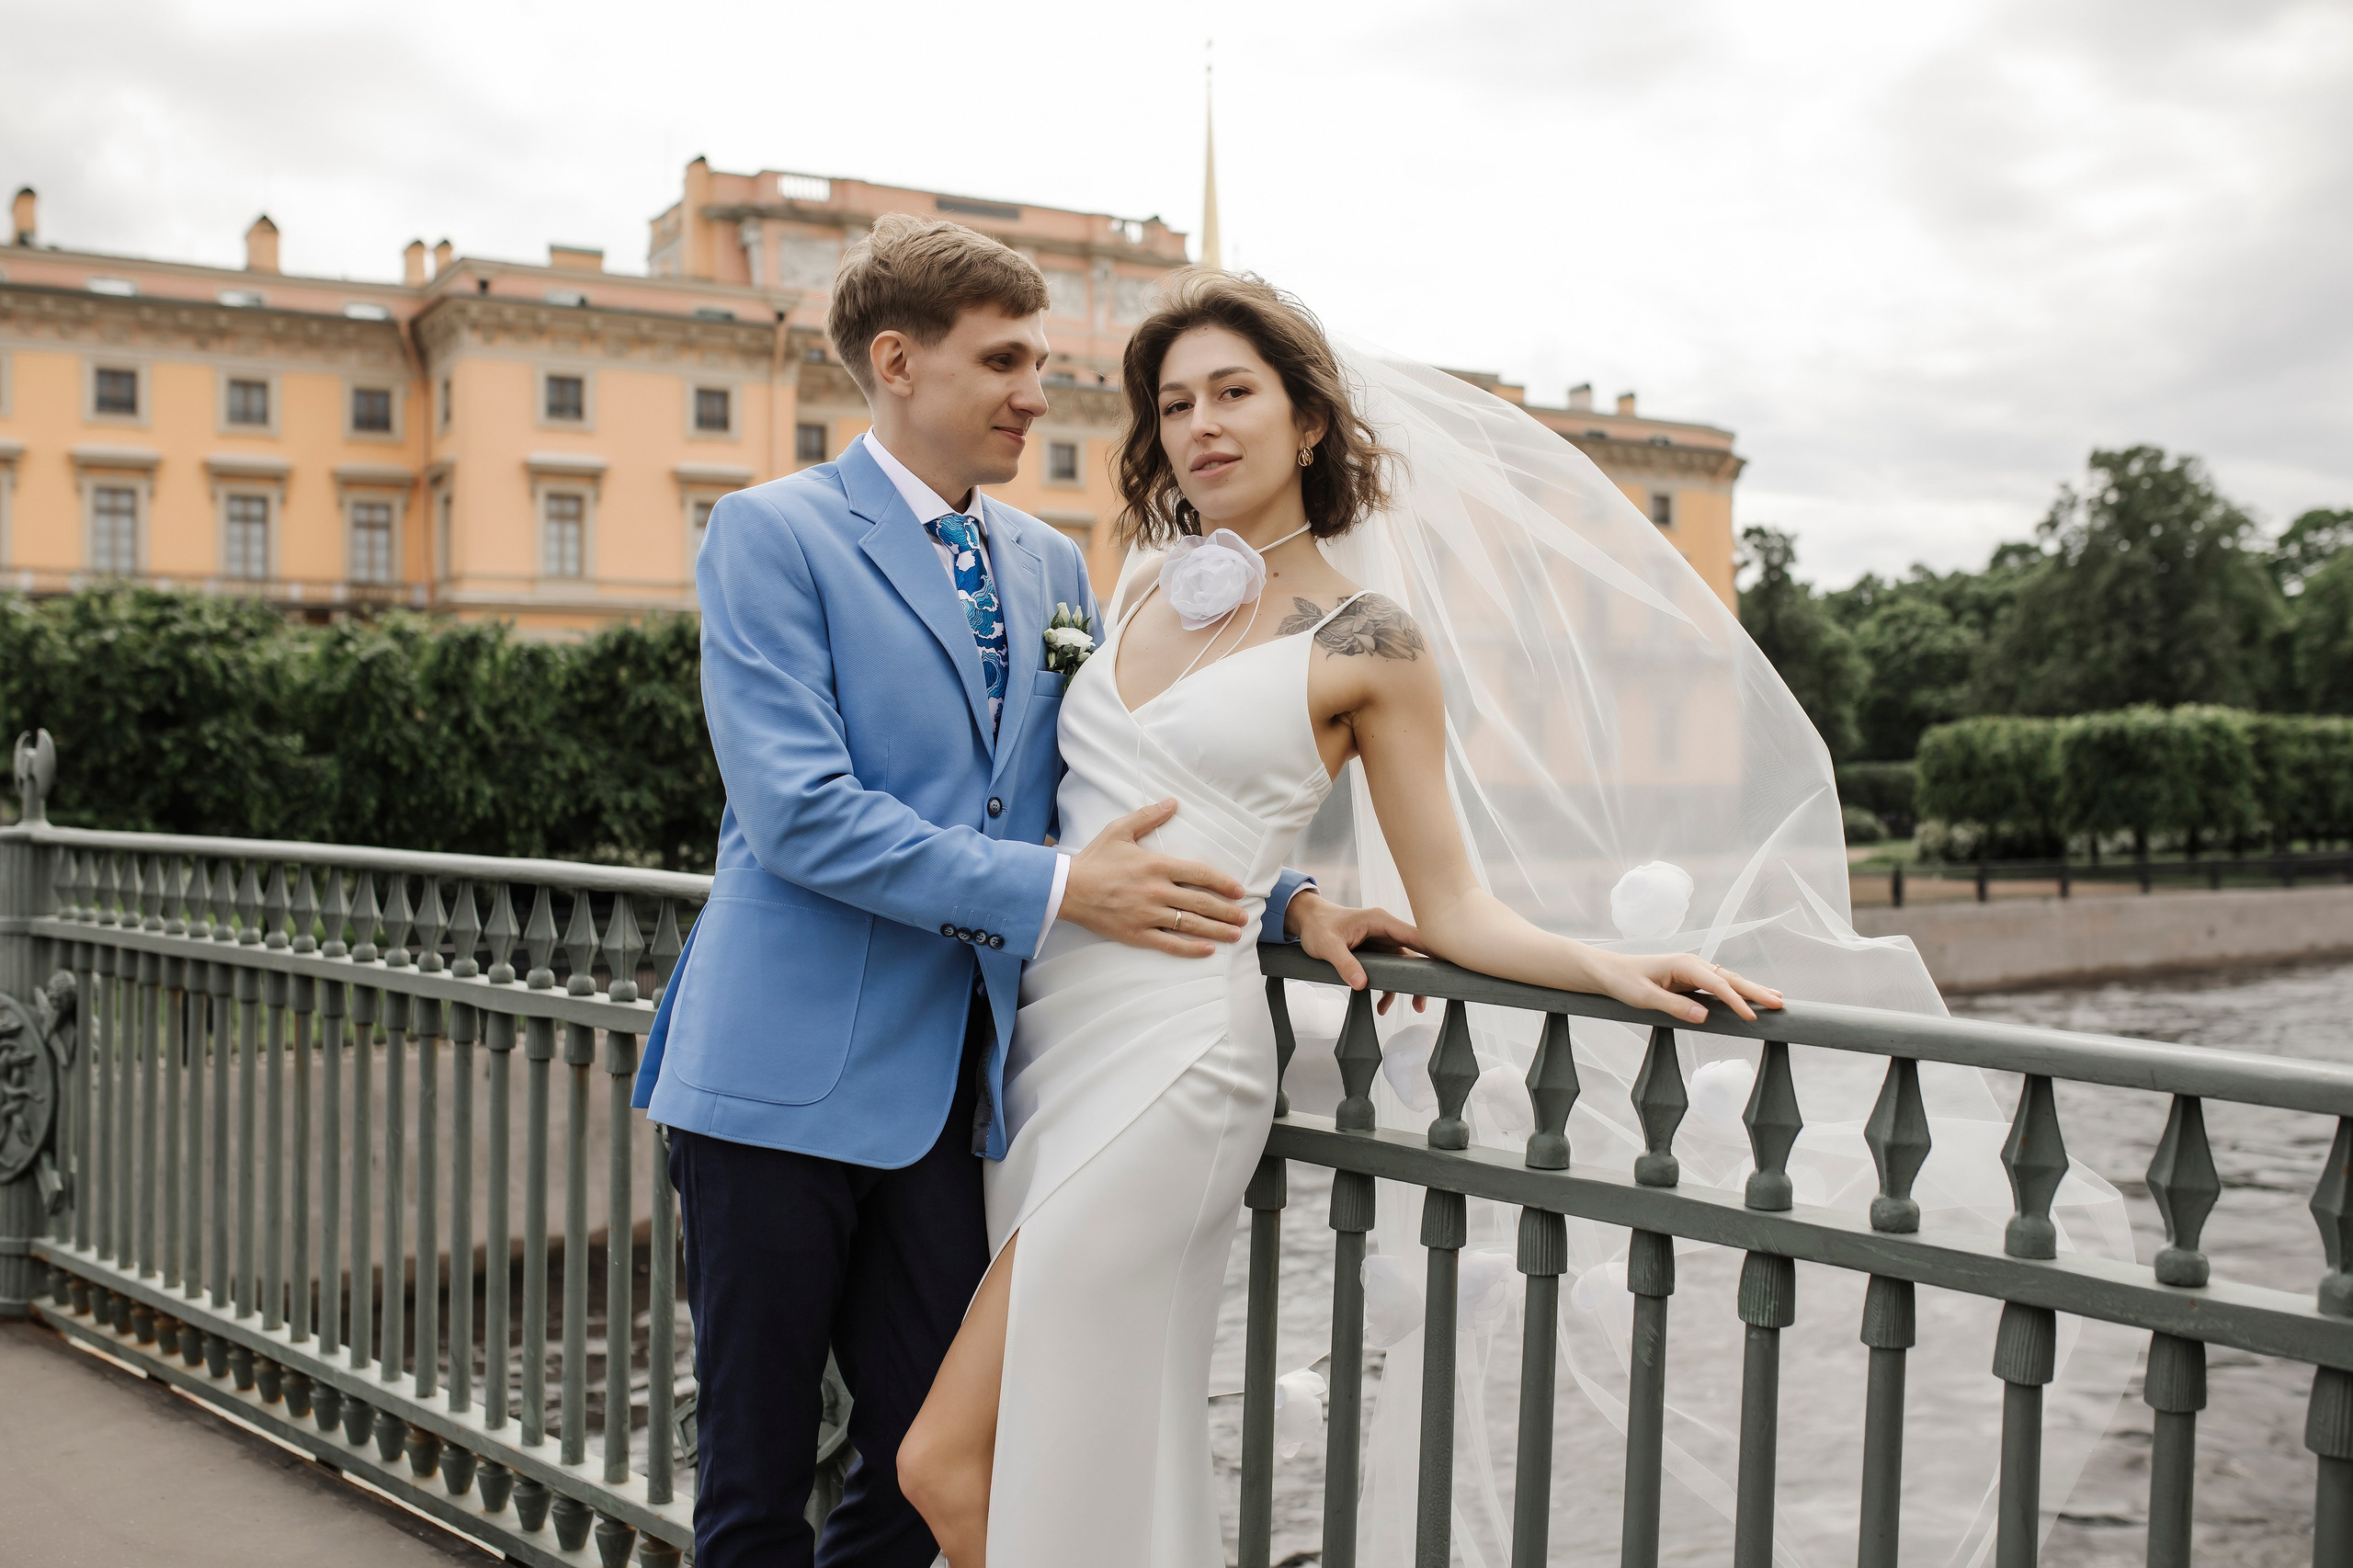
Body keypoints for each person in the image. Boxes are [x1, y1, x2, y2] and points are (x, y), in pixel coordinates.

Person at [898, 271, 2133, 1568]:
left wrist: (1609, 964)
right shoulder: (1145, 583)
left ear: (1307, 421)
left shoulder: (1368, 639)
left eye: (1233, 393)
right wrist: (1294, 900)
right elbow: (1118, 808)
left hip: (1173, 1062)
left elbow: (1455, 903)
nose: (1200, 424)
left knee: (947, 1462)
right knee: (1075, 1444)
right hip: (1048, 1042)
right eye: (1174, 403)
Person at [630, 220, 1406, 1568]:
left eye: (1040, 363)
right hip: (777, 1071)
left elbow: (1107, 780)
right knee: (754, 1485)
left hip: (963, 1091)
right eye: (1004, 362)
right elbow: (801, 813)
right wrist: (1059, 889)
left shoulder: (1051, 564)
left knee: (921, 1470)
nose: (1037, 395)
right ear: (897, 363)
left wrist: (1280, 897)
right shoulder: (770, 532)